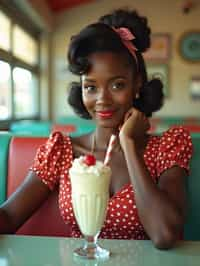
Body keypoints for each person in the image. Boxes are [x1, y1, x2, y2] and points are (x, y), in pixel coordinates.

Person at [0, 8, 193, 249]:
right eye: (90, 87)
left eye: (117, 85)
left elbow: (165, 234)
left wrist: (129, 145)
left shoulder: (166, 147)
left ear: (137, 84)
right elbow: (8, 217)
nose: (102, 99)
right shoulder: (62, 151)